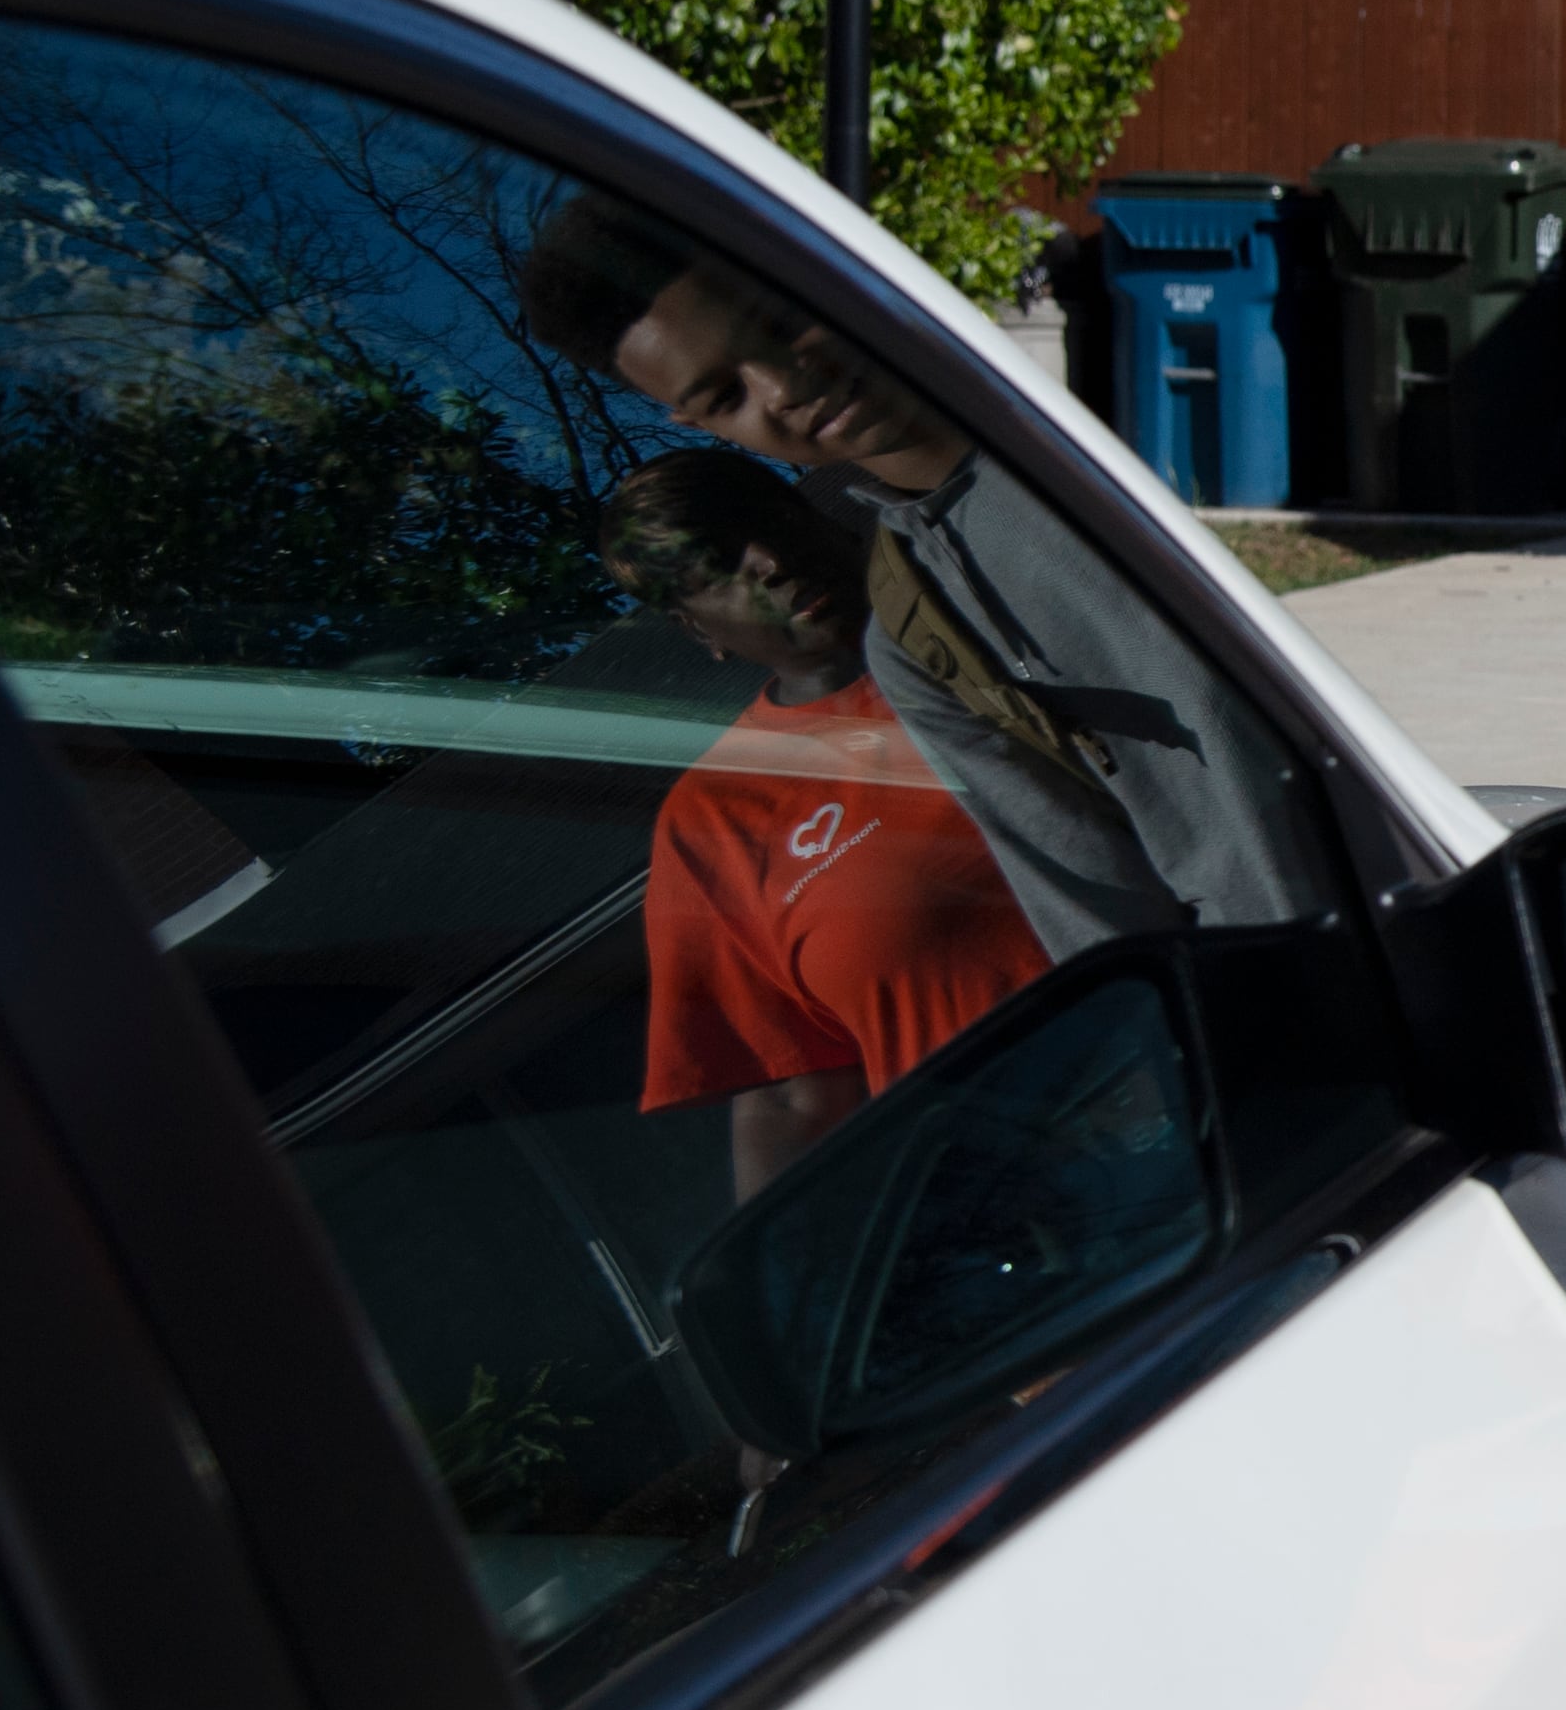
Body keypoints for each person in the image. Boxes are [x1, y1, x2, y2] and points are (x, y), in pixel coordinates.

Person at [518, 197, 1328, 953]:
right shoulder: (921, 636)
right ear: (693, 423)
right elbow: (1108, 927)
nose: (789, 386)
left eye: (780, 321)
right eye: (729, 393)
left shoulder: (1120, 423)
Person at [597, 450, 1052, 1195]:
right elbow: (789, 1093)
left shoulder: (1003, 609)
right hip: (1044, 1194)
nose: (769, 562)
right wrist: (786, 1290)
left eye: (765, 526)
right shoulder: (719, 814)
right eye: (719, 567)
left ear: (812, 516)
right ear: (698, 630)